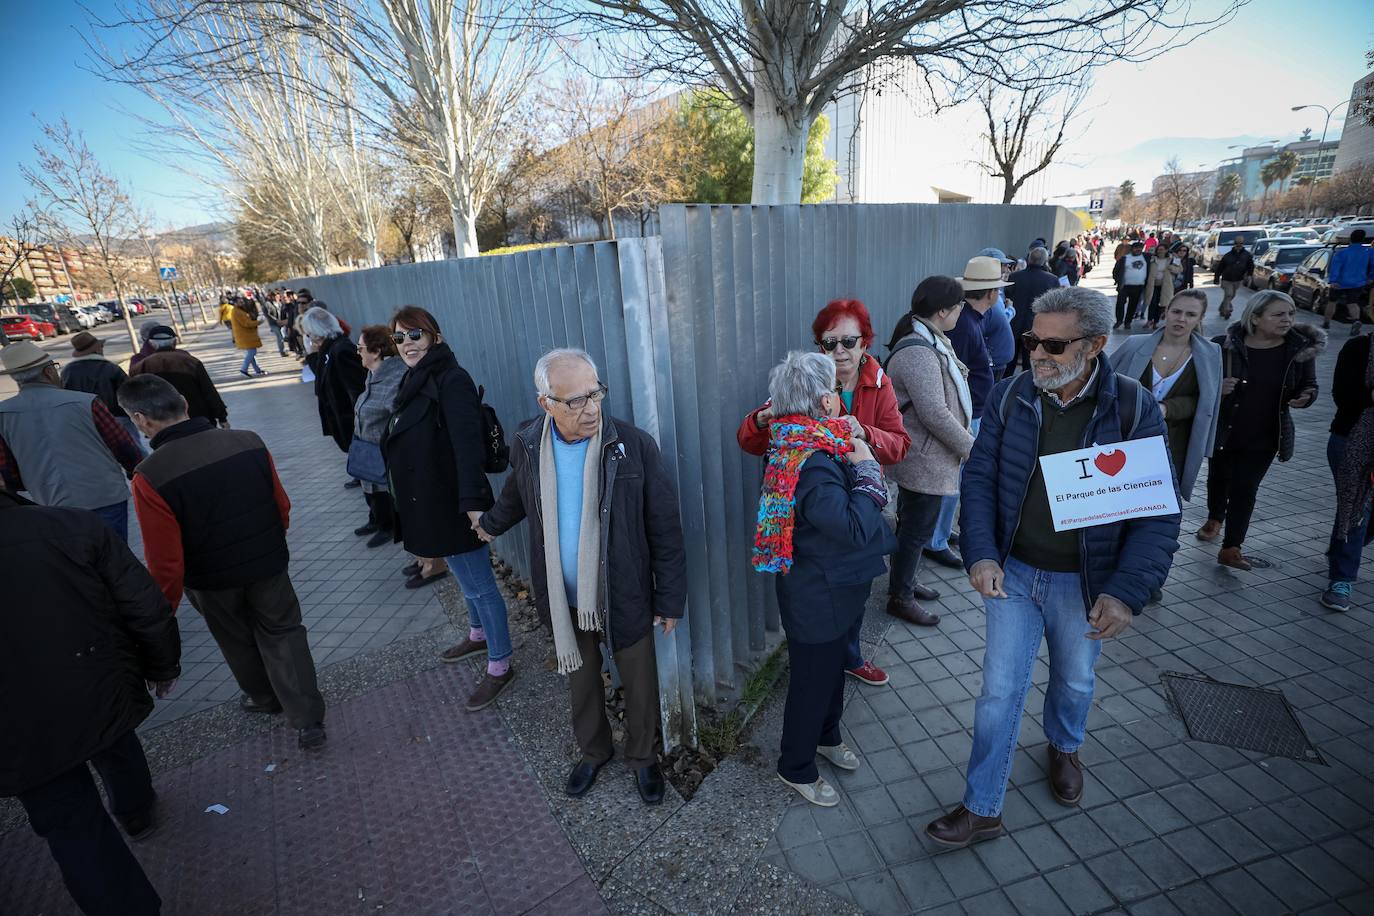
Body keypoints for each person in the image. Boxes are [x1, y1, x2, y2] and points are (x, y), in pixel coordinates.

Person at [925, 286, 1180, 848]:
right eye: (1032, 339)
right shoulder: (1013, 395)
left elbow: (1158, 517)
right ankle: (983, 808)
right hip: (1013, 574)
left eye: (1054, 345)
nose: (1037, 353)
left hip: (1085, 584)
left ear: (1094, 346)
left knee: (1075, 679)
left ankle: (1064, 746)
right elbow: (981, 478)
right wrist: (982, 552)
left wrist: (1126, 593)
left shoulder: (1134, 407)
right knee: (998, 691)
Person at [476, 348, 686, 804]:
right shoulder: (529, 444)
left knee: (639, 681)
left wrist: (669, 598)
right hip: (562, 594)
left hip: (623, 589)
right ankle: (594, 750)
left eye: (595, 394)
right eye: (575, 401)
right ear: (545, 403)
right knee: (582, 676)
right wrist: (490, 524)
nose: (591, 408)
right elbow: (516, 493)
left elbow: (665, 526)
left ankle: (643, 759)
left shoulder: (631, 446)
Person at [119, 374, 328, 750]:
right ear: (184, 402)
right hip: (266, 562)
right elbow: (281, 505)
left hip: (210, 579)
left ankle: (264, 698)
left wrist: (164, 608)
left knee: (235, 638)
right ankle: (307, 717)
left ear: (140, 419)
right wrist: (271, 543)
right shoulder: (247, 441)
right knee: (284, 632)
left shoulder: (149, 476)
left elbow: (164, 558)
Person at [1, 484, 180, 916]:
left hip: (15, 724)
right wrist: (162, 664)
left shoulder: (72, 526)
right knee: (114, 742)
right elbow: (142, 604)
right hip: (94, 680)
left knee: (72, 828)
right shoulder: (70, 525)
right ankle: (136, 811)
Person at [736, 299, 910, 686]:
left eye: (849, 341)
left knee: (856, 588)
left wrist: (864, 434)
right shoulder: (807, 381)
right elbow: (749, 440)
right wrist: (763, 417)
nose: (840, 351)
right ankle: (823, 659)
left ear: (865, 342)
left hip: (861, 499)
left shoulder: (878, 384)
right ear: (820, 347)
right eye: (830, 343)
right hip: (816, 510)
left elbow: (899, 445)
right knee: (819, 587)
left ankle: (849, 655)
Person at [750, 351, 896, 807]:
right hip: (818, 596)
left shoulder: (807, 442)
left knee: (832, 674)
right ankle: (795, 765)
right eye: (833, 390)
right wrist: (869, 469)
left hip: (832, 589)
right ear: (822, 402)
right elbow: (852, 526)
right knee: (812, 683)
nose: (838, 396)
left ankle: (827, 736)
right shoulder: (810, 460)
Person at [382, 306, 517, 706]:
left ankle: (501, 664)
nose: (407, 344)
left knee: (480, 584)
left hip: (455, 502)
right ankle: (477, 635)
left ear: (434, 337)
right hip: (431, 500)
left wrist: (475, 507)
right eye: (399, 338)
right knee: (462, 575)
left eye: (414, 335)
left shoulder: (451, 379)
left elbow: (467, 446)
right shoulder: (414, 378)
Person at [1196, 291, 1323, 570]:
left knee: (1246, 488)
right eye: (1278, 314)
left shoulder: (1298, 350)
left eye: (1290, 313)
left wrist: (1306, 397)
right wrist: (1219, 389)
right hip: (1226, 429)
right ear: (1255, 317)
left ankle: (1231, 547)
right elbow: (1200, 385)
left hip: (1266, 434)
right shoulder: (1225, 346)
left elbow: (1310, 384)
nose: (1287, 319)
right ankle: (1215, 516)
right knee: (1219, 477)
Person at [883, 277, 975, 628]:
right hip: (923, 460)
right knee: (914, 531)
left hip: (925, 457)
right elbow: (935, 414)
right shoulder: (920, 352)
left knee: (912, 528)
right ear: (941, 311)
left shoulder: (929, 341)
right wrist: (971, 448)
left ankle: (903, 583)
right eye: (958, 307)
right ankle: (900, 597)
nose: (960, 313)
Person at [0, 341, 140, 540]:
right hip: (104, 495)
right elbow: (124, 447)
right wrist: (134, 472)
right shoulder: (86, 402)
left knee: (76, 565)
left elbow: (8, 472)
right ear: (49, 372)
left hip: (51, 505)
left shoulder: (3, 414)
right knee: (117, 560)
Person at [1108, 289, 1222, 502]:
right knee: (1117, 501)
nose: (1181, 319)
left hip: (1173, 443)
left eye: (1190, 314)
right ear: (1166, 311)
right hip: (1123, 439)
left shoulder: (1210, 353)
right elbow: (1105, 383)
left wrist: (1168, 408)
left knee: (1158, 504)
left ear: (1200, 318)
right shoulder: (1134, 344)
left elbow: (1206, 402)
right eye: (1176, 311)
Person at [925, 263, 996, 569]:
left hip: (972, 411)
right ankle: (935, 540)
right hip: (968, 416)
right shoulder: (965, 326)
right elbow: (953, 378)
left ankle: (940, 534)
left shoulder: (967, 322)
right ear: (991, 293)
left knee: (957, 482)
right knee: (953, 481)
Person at [1323, 328, 1374, 611]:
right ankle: (1341, 579)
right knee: (1357, 508)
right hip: (1352, 441)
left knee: (1360, 515)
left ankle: (1340, 548)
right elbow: (1343, 396)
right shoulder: (1359, 348)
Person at [351, 325, 407, 548]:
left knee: (385, 493)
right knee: (372, 490)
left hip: (383, 453)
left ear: (376, 351)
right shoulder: (373, 373)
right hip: (367, 448)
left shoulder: (394, 377)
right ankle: (377, 521)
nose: (358, 352)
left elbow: (398, 416)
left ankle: (389, 527)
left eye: (360, 348)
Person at [302, 306, 367, 485]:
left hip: (350, 417)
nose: (308, 338)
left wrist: (358, 421)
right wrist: (312, 356)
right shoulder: (330, 348)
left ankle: (365, 475)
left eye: (309, 333)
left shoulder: (342, 349)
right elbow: (323, 379)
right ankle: (361, 473)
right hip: (343, 416)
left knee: (358, 448)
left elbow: (357, 389)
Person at [129, 325, 230, 428]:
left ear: (151, 344)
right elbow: (208, 391)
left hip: (162, 424)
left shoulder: (140, 367)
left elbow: (136, 399)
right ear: (174, 342)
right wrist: (222, 417)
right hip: (198, 420)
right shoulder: (190, 361)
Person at [62, 331, 142, 453]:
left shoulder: (67, 371)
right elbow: (129, 392)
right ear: (96, 349)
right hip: (117, 417)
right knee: (134, 450)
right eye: (101, 346)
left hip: (85, 421)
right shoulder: (109, 368)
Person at [1007, 246, 1061, 373]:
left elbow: (1008, 298)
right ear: (1044, 261)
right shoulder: (1052, 280)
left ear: (1029, 259)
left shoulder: (1014, 277)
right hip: (1036, 328)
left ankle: (1006, 390)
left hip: (1013, 324)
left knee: (1009, 365)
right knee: (1030, 364)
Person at [967, 251, 1018, 377]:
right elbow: (978, 335)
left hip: (995, 363)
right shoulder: (982, 305)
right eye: (1003, 265)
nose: (1007, 269)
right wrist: (1011, 310)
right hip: (991, 365)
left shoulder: (991, 299)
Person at [1324, 228, 1374, 334]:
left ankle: (1327, 322)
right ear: (1363, 239)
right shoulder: (1368, 252)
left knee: (1332, 302)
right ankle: (1355, 320)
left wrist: (1333, 280)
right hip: (1358, 282)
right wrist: (1370, 278)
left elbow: (1336, 267)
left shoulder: (1342, 253)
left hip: (1340, 282)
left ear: (1350, 239)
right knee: (1353, 303)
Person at [1111, 240, 1150, 330]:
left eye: (1140, 248)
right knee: (1120, 304)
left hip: (1138, 286)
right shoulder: (1125, 258)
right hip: (1125, 286)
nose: (1138, 250)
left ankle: (1128, 322)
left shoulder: (1146, 258)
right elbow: (1116, 271)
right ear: (1132, 249)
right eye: (1136, 248)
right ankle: (1119, 320)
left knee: (1133, 305)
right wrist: (1118, 280)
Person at [1213, 236, 1254, 320]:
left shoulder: (1247, 255)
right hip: (1226, 279)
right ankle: (1227, 311)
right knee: (1229, 294)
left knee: (1231, 296)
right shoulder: (1227, 255)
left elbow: (1250, 266)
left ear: (1243, 244)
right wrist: (1216, 278)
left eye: (1241, 243)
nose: (1238, 245)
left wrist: (1249, 275)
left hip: (1238, 279)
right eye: (1237, 243)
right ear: (1234, 244)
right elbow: (1220, 267)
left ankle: (1222, 308)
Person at [1142, 241, 1180, 332]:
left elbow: (1179, 269)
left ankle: (1156, 321)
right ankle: (1149, 320)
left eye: (1162, 250)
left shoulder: (1171, 259)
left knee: (1161, 303)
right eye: (1159, 249)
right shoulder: (1152, 259)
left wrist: (1172, 268)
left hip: (1165, 285)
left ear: (1166, 250)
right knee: (1152, 302)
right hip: (1153, 285)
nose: (1160, 251)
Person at [231, 297, 267, 377]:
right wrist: (259, 322)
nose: (242, 303)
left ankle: (257, 370)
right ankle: (244, 369)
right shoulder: (237, 312)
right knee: (252, 352)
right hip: (245, 336)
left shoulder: (238, 310)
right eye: (240, 302)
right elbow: (247, 323)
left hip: (246, 336)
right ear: (235, 303)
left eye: (242, 302)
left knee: (251, 353)